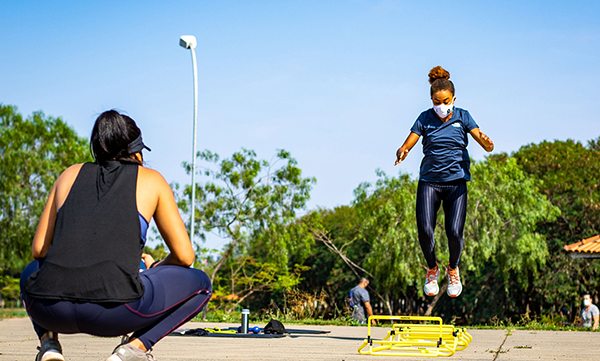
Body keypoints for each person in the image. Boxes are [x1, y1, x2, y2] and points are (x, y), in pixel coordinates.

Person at [20, 110, 212, 361]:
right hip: (116, 313)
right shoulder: (152, 180)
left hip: (49, 311)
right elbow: (185, 257)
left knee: (30, 270)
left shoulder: (68, 175)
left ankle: (49, 345)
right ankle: (132, 350)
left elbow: (39, 251)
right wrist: (155, 269)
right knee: (201, 285)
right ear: (136, 150)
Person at [394, 66, 494, 298]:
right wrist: (403, 150)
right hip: (429, 182)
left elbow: (483, 141)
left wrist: (488, 145)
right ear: (431, 100)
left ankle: (453, 269)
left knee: (454, 232)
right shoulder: (424, 118)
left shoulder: (463, 116)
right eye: (436, 102)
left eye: (445, 101)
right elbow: (409, 142)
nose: (441, 106)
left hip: (456, 183)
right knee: (425, 230)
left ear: (454, 99)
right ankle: (432, 269)